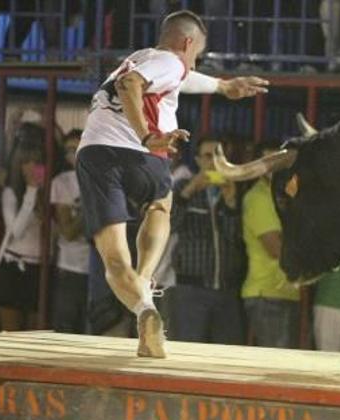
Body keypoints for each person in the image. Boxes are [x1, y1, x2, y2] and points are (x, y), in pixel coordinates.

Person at [75, 10, 268, 358]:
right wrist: (148, 135)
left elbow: (173, 77)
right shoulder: (169, 62)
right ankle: (146, 274)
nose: (194, 64)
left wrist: (223, 86)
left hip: (94, 153)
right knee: (160, 204)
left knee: (115, 262)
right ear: (188, 43)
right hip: (142, 152)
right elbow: (132, 84)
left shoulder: (139, 59)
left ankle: (144, 305)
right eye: (197, 55)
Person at [168, 136, 246, 344]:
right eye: (208, 156)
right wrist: (189, 192)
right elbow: (169, 226)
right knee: (189, 351)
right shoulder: (182, 186)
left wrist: (231, 204)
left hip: (227, 290)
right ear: (197, 160)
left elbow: (236, 238)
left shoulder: (235, 188)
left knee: (227, 354)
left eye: (219, 156)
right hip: (191, 289)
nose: (214, 162)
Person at [242, 141, 300, 348]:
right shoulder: (259, 197)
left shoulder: (283, 195)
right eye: (270, 163)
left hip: (282, 292)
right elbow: (275, 248)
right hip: (266, 294)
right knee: (278, 362)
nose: (276, 168)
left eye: (280, 162)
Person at [0, 147, 44, 330]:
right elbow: (16, 231)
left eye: (37, 163)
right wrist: (31, 190)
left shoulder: (48, 194)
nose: (32, 168)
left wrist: (38, 191)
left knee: (34, 335)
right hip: (13, 267)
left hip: (38, 269)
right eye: (26, 163)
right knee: (10, 334)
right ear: (19, 166)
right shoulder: (11, 193)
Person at [50, 129, 90, 333]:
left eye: (77, 149)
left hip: (100, 268)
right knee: (67, 329)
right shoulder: (62, 181)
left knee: (94, 330)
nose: (72, 155)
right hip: (71, 267)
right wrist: (90, 204)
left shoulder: (104, 179)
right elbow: (68, 232)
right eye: (68, 150)